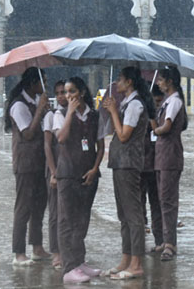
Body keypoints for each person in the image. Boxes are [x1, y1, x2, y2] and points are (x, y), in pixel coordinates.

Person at [54, 77, 103, 284]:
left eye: (72, 91)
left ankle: (79, 261)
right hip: (67, 173)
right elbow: (61, 138)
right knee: (67, 220)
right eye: (65, 92)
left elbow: (99, 145)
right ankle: (69, 267)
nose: (68, 96)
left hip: (88, 174)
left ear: (82, 92)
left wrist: (95, 168)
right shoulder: (60, 114)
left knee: (82, 219)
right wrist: (71, 113)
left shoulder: (94, 116)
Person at [105, 66, 152, 280]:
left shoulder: (135, 105)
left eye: (120, 79)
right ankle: (126, 258)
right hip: (119, 162)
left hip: (129, 163)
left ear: (130, 82)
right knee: (123, 214)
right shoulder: (126, 103)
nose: (117, 83)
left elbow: (124, 135)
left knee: (133, 215)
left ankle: (136, 263)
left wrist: (114, 112)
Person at [4, 67, 51, 266]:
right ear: (33, 84)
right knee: (23, 207)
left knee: (39, 206)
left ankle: (37, 247)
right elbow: (28, 134)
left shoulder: (33, 102)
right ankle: (19, 252)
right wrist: (40, 111)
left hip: (40, 161)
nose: (45, 86)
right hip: (26, 162)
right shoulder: (19, 106)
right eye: (42, 82)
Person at [153, 67, 187, 262]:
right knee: (162, 199)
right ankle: (166, 240)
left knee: (168, 201)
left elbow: (166, 126)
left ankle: (170, 243)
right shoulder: (167, 101)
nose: (158, 83)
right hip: (162, 155)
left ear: (170, 81)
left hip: (170, 155)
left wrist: (155, 129)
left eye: (161, 80)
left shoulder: (174, 101)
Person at [43, 80, 68, 269]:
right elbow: (47, 145)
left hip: (70, 168)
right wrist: (53, 172)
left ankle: (69, 249)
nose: (61, 96)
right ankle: (56, 252)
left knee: (69, 212)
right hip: (55, 168)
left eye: (64, 92)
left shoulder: (73, 114)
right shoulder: (51, 116)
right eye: (58, 92)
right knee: (55, 213)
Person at [142, 85, 164, 252]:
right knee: (139, 203)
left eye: (160, 101)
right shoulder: (141, 113)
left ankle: (159, 241)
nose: (158, 104)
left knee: (157, 204)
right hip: (141, 165)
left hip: (157, 165)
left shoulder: (164, 115)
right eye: (155, 101)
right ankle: (139, 240)